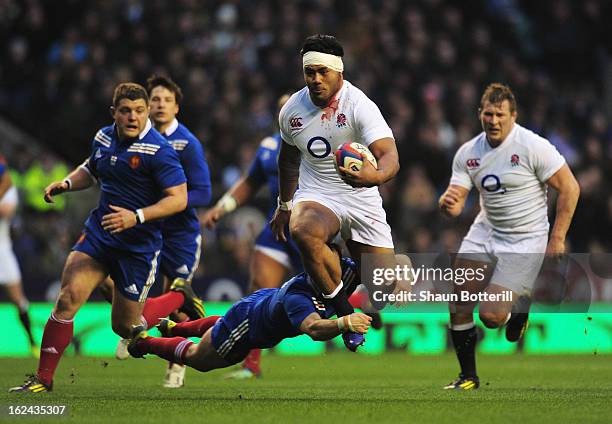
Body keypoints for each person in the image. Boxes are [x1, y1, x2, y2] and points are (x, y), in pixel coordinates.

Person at [9, 82, 188, 393]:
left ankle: (179, 296)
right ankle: (43, 379)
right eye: (126, 111)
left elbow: (179, 198)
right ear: (114, 113)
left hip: (138, 248)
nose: (133, 117)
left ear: (146, 113)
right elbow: (91, 169)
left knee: (126, 327)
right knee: (67, 299)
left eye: (139, 111)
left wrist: (137, 216)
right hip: (100, 236)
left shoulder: (159, 150)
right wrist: (66, 183)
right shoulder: (103, 137)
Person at [438, 83, 580, 390]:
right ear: (480, 114)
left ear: (513, 116)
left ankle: (520, 304)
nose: (493, 121)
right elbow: (457, 197)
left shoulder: (532, 146)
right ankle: (468, 377)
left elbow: (570, 187)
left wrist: (557, 238)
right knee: (459, 298)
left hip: (526, 238)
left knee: (490, 315)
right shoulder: (468, 152)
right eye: (488, 114)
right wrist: (449, 205)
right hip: (486, 230)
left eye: (500, 114)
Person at [270, 34, 400, 352]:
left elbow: (389, 155)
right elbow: (288, 160)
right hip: (318, 194)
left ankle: (355, 272)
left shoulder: (360, 106)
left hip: (362, 198)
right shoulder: (291, 112)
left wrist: (375, 176)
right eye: (309, 72)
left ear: (338, 71)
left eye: (322, 72)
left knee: (386, 290)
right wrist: (285, 204)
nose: (315, 79)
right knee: (302, 229)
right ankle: (345, 315)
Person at [100, 75, 212, 389]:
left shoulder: (186, 144)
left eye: (166, 100)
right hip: (144, 230)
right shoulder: (134, 141)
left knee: (174, 302)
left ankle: (176, 366)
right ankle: (136, 324)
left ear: (177, 106)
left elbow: (203, 192)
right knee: (105, 282)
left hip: (179, 235)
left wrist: (167, 201)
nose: (160, 105)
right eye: (155, 100)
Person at [127, 251, 372, 373]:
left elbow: (385, 264)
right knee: (199, 359)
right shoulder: (299, 297)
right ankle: (145, 342)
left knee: (220, 328)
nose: (327, 271)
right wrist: (344, 323)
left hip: (262, 302)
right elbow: (314, 329)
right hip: (249, 323)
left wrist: (399, 279)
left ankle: (174, 328)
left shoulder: (347, 271)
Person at [201, 93, 302, 378]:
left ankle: (358, 303)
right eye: (281, 108)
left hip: (311, 229)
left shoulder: (320, 144)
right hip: (277, 227)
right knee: (258, 290)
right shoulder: (269, 147)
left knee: (326, 296)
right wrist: (223, 207)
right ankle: (251, 365)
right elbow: (249, 182)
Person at [0, 158, 37, 357]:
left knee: (18, 299)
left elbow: (5, 211)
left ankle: (32, 342)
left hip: (1, 251)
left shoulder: (9, 191)